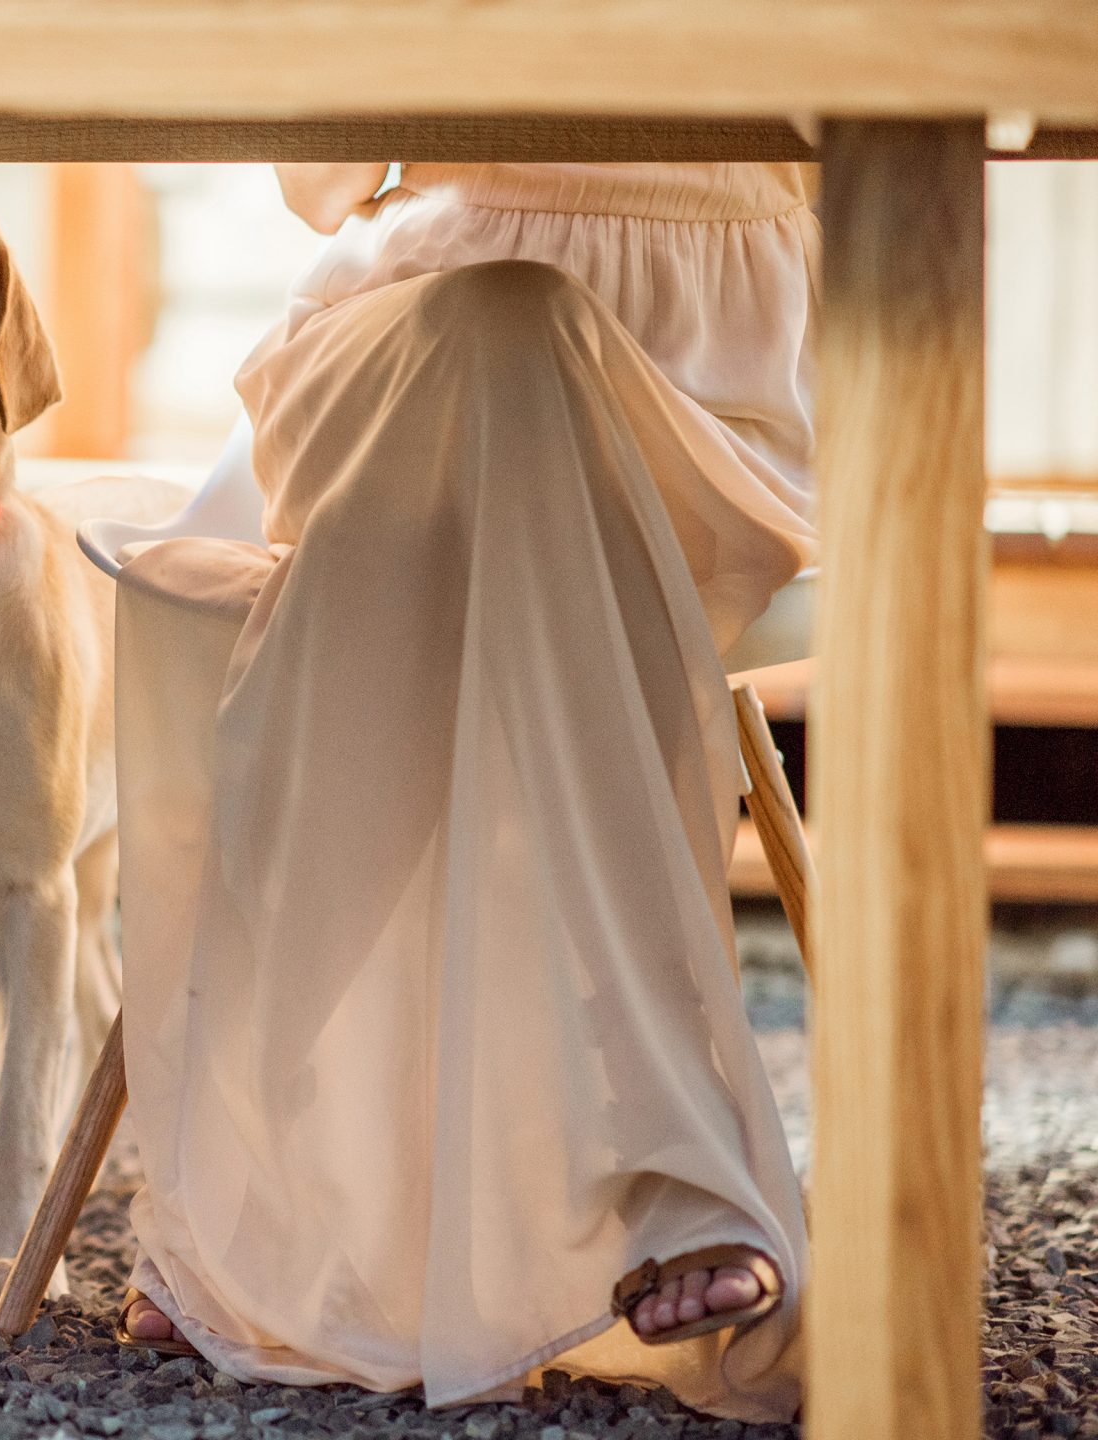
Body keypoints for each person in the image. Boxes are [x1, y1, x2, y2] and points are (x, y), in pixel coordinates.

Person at [108, 164, 817, 1421]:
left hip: (716, 378)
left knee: (518, 357)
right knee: (506, 325)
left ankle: (238, 1206)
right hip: (408, 334)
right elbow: (317, 170)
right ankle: (677, 1162)